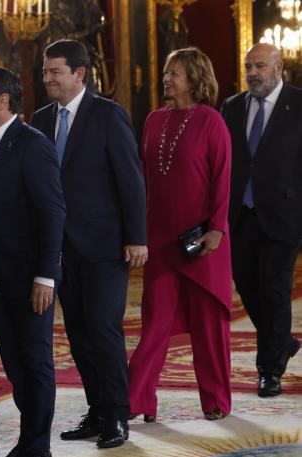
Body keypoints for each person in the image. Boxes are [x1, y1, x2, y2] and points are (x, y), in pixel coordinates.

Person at [29, 39, 147, 449]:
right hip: (58, 248)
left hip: (104, 244)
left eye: (55, 71)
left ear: (79, 74)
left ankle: (117, 414)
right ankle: (97, 411)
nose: (47, 79)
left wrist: (137, 236)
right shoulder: (40, 120)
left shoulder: (108, 115)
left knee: (102, 328)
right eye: (44, 72)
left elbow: (130, 180)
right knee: (77, 333)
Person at [0, 67, 65, 457]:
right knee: (16, 367)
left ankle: (38, 453)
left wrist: (46, 276)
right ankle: (27, 441)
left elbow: (52, 212)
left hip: (29, 280)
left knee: (36, 363)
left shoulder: (33, 145)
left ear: (2, 101)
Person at [128, 47, 233, 421]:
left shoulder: (211, 121)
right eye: (166, 72)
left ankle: (217, 401)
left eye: (175, 73)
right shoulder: (154, 120)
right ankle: (137, 402)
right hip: (160, 238)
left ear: (195, 78)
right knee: (154, 323)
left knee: (208, 326)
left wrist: (217, 230)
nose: (166, 78)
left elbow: (222, 180)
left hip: (203, 240)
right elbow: (144, 182)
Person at [221, 43, 302, 397]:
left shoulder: (299, 104)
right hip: (241, 215)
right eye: (247, 67)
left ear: (278, 67)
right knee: (248, 285)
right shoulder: (232, 106)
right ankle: (282, 340)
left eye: (259, 66)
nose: (252, 73)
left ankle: (270, 369)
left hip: (284, 216)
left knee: (274, 289)